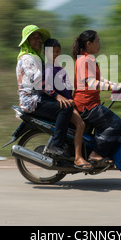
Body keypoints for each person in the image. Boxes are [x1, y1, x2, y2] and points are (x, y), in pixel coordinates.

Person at [16, 25, 73, 156]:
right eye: (33, 37)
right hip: (33, 100)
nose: (37, 40)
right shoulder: (27, 59)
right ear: (27, 41)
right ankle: (56, 144)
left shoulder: (36, 57)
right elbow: (39, 82)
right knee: (65, 108)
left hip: (40, 97)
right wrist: (58, 96)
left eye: (39, 37)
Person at [72, 30, 121, 163]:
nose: (99, 44)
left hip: (91, 103)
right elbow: (91, 83)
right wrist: (113, 87)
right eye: (97, 41)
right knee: (115, 122)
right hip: (86, 105)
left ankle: (104, 152)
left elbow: (100, 79)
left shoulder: (88, 59)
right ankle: (96, 154)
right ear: (89, 43)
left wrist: (116, 85)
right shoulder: (84, 60)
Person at [44, 38, 92, 170]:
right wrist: (60, 98)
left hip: (71, 102)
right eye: (52, 52)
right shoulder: (49, 69)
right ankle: (78, 157)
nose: (56, 54)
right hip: (62, 104)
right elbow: (48, 88)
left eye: (58, 51)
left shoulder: (59, 68)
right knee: (81, 124)